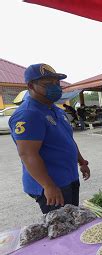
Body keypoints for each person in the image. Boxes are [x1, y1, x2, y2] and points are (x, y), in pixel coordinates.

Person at [8, 64, 90, 214]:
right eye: (48, 84)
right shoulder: (28, 114)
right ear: (31, 86)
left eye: (57, 83)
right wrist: (48, 185)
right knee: (62, 229)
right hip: (52, 184)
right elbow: (27, 154)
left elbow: (68, 140)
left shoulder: (56, 110)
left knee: (73, 219)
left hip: (69, 177)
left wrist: (82, 162)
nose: (55, 87)